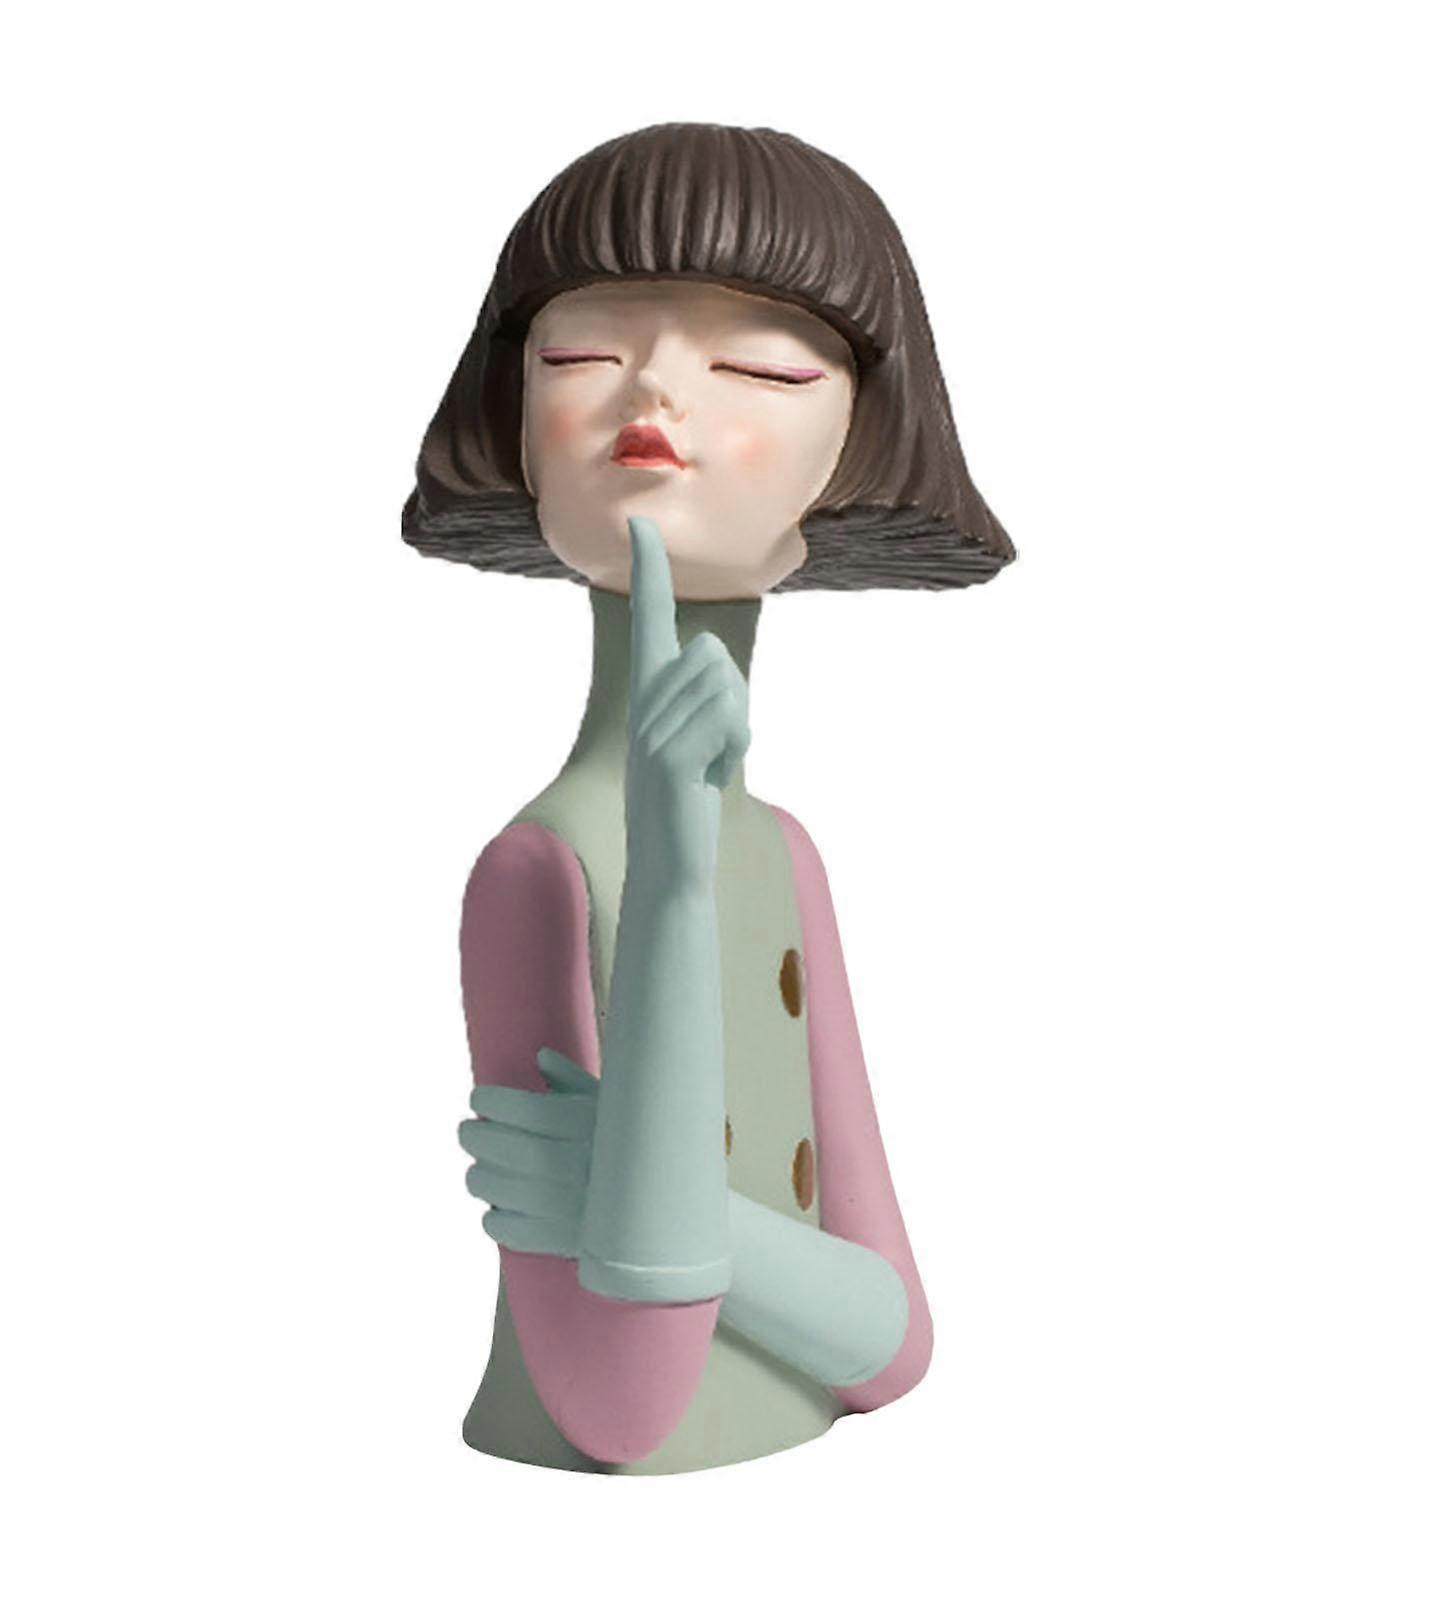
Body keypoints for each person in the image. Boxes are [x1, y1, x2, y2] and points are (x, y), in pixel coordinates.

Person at [405, 122, 1015, 1473]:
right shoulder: (541, 868)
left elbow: (896, 1354)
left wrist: (651, 1193)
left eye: (759, 364)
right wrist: (670, 902)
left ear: (862, 443)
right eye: (581, 352)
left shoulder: (783, 855)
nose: (655, 393)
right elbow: (621, 1416)